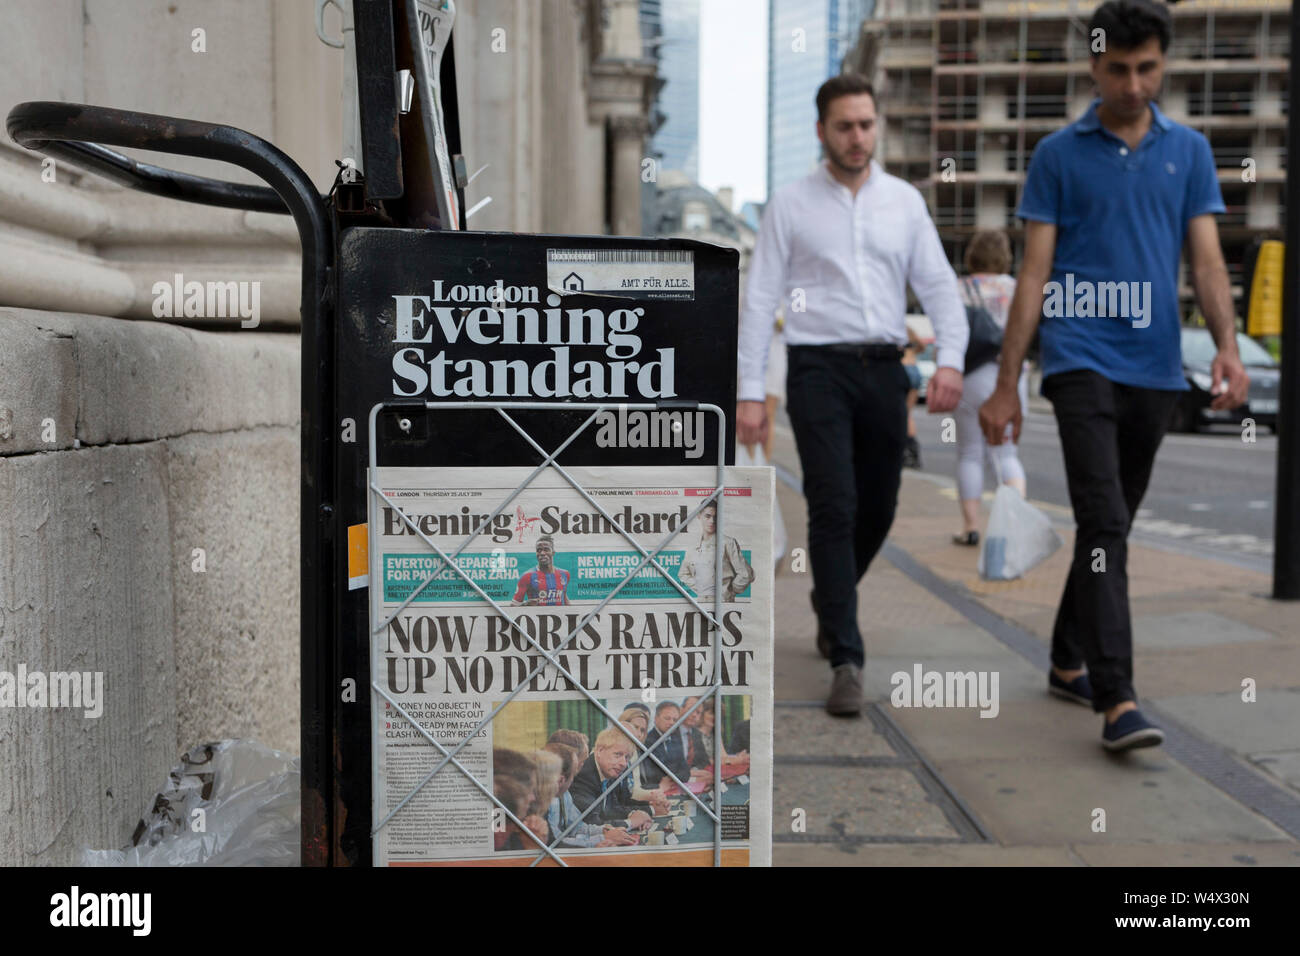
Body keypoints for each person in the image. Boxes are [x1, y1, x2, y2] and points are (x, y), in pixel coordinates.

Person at [979, 0, 1247, 752]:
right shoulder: (1059, 155)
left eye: (1148, 68)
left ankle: (1068, 659)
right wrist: (1007, 383)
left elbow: (1205, 261)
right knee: (1103, 522)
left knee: (1113, 526)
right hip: (1079, 358)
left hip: (1157, 367)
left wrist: (1226, 347)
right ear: (1094, 64)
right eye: (1120, 69)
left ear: (1163, 64)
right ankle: (1117, 698)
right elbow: (1032, 277)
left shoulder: (1188, 151)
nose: (1134, 83)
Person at [737, 73, 967, 717]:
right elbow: (760, 301)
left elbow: (940, 285)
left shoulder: (904, 202)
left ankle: (829, 598)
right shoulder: (790, 204)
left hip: (884, 370)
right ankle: (847, 655)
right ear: (821, 131)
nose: (858, 137)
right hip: (817, 370)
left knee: (880, 504)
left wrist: (949, 359)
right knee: (832, 504)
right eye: (845, 126)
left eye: (867, 124)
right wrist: (749, 392)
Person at [952, 229, 1028, 546]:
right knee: (1006, 451)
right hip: (1010, 376)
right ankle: (1013, 524)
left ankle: (971, 526)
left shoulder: (959, 289)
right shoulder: (1019, 289)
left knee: (970, 453)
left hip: (970, 376)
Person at [543, 742, 637, 848]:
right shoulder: (542, 803)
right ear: (562, 780)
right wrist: (603, 838)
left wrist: (604, 830)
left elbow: (577, 827)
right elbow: (557, 844)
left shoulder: (565, 794)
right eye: (574, 773)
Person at [567, 727, 654, 831]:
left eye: (627, 757)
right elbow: (592, 822)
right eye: (618, 755)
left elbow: (611, 809)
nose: (623, 763)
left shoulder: (609, 771)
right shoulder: (584, 775)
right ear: (599, 751)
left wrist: (636, 814)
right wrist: (630, 823)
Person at [677, 502, 754, 603]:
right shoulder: (692, 546)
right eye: (707, 516)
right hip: (701, 602)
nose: (712, 521)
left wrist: (729, 591)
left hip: (723, 602)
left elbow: (746, 574)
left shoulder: (728, 543)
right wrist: (701, 589)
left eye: (716, 517)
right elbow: (683, 574)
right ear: (699, 516)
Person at [641, 700, 709, 788]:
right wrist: (679, 775)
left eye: (675, 720)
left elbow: (685, 770)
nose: (671, 723)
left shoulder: (674, 738)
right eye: (667, 718)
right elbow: (656, 776)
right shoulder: (648, 741)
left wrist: (675, 776)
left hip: (675, 786)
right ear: (656, 719)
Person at [616, 708, 670, 815]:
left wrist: (655, 795)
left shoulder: (634, 752)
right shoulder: (613, 750)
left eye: (642, 730)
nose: (639, 734)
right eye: (635, 727)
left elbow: (633, 790)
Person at [512, 535, 569, 606]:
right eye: (539, 550)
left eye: (546, 549)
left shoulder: (565, 574)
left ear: (553, 552)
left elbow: (563, 596)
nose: (542, 553)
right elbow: (514, 605)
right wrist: (526, 604)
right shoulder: (527, 576)